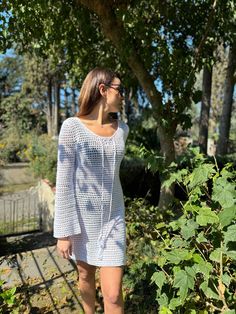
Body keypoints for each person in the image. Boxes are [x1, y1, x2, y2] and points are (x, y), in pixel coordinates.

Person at [53, 67, 129, 314]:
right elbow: (64, 181)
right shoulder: (72, 127)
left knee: (114, 294)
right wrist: (63, 232)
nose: (123, 95)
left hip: (113, 220)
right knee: (85, 277)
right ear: (103, 89)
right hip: (82, 223)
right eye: (120, 89)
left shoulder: (122, 130)